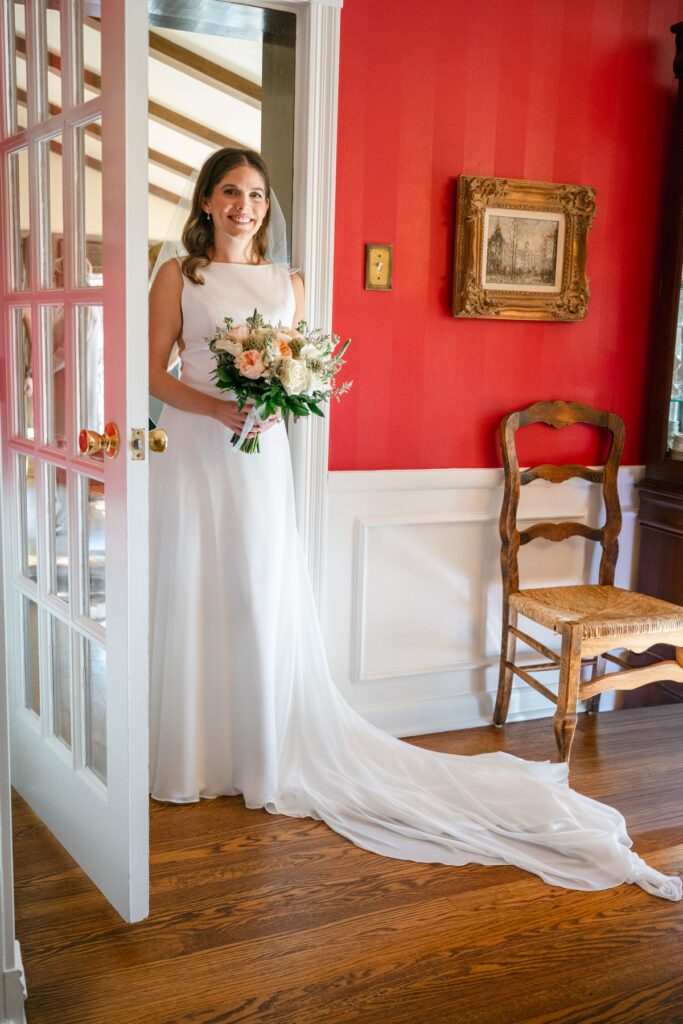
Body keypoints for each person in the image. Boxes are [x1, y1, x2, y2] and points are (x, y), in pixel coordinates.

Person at [148, 148, 681, 902]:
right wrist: (215, 407)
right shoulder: (180, 275)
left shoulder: (288, 285)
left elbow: (298, 368)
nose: (245, 206)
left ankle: (258, 756)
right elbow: (151, 369)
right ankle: (191, 755)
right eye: (230, 192)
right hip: (197, 451)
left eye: (257, 194)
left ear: (269, 205)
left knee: (255, 594)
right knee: (195, 586)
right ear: (204, 201)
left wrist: (277, 397)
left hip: (257, 456)